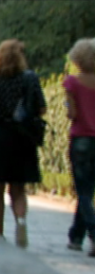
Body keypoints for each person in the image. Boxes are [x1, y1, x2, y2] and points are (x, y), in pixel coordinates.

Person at [0, 39, 45, 248]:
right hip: (22, 136)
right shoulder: (30, 79)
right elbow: (41, 108)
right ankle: (21, 221)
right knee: (18, 188)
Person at [64, 38, 95, 255]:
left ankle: (93, 232)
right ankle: (76, 236)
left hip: (81, 139)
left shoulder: (72, 83)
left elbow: (71, 114)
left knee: (82, 191)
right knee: (88, 191)